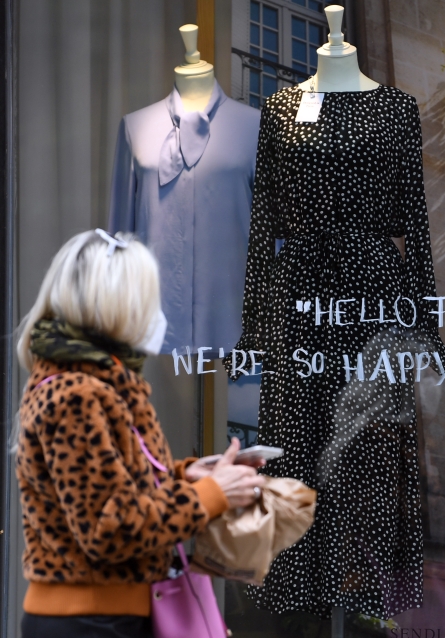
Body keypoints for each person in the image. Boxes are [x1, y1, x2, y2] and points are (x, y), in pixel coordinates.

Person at [13, 229, 266, 638]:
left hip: (106, 616)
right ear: (116, 305)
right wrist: (210, 494)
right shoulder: (77, 393)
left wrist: (187, 477)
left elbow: (115, 488)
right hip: (90, 622)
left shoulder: (94, 382)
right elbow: (109, 529)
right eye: (148, 298)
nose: (157, 312)